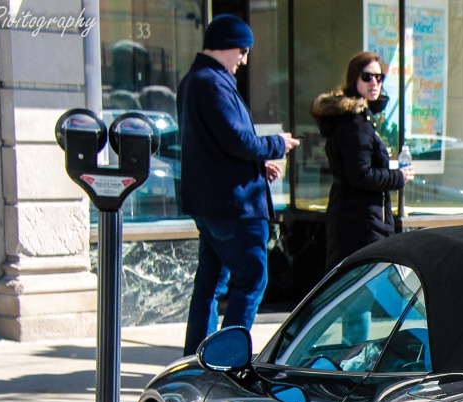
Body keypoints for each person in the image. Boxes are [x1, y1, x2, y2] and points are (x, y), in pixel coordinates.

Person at [177, 14, 299, 356]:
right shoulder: (211, 82)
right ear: (228, 47)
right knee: (251, 279)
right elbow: (237, 140)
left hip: (213, 202)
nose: (243, 61)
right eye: (242, 52)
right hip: (233, 206)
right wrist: (277, 144)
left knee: (211, 285)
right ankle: (226, 358)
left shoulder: (193, 80)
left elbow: (216, 146)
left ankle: (195, 357)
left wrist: (258, 166)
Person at [311, 52, 416, 271]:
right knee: (363, 280)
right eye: (367, 77)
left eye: (380, 78)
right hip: (360, 219)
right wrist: (399, 176)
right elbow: (360, 174)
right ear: (354, 78)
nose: (374, 83)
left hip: (360, 214)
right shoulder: (354, 123)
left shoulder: (359, 118)